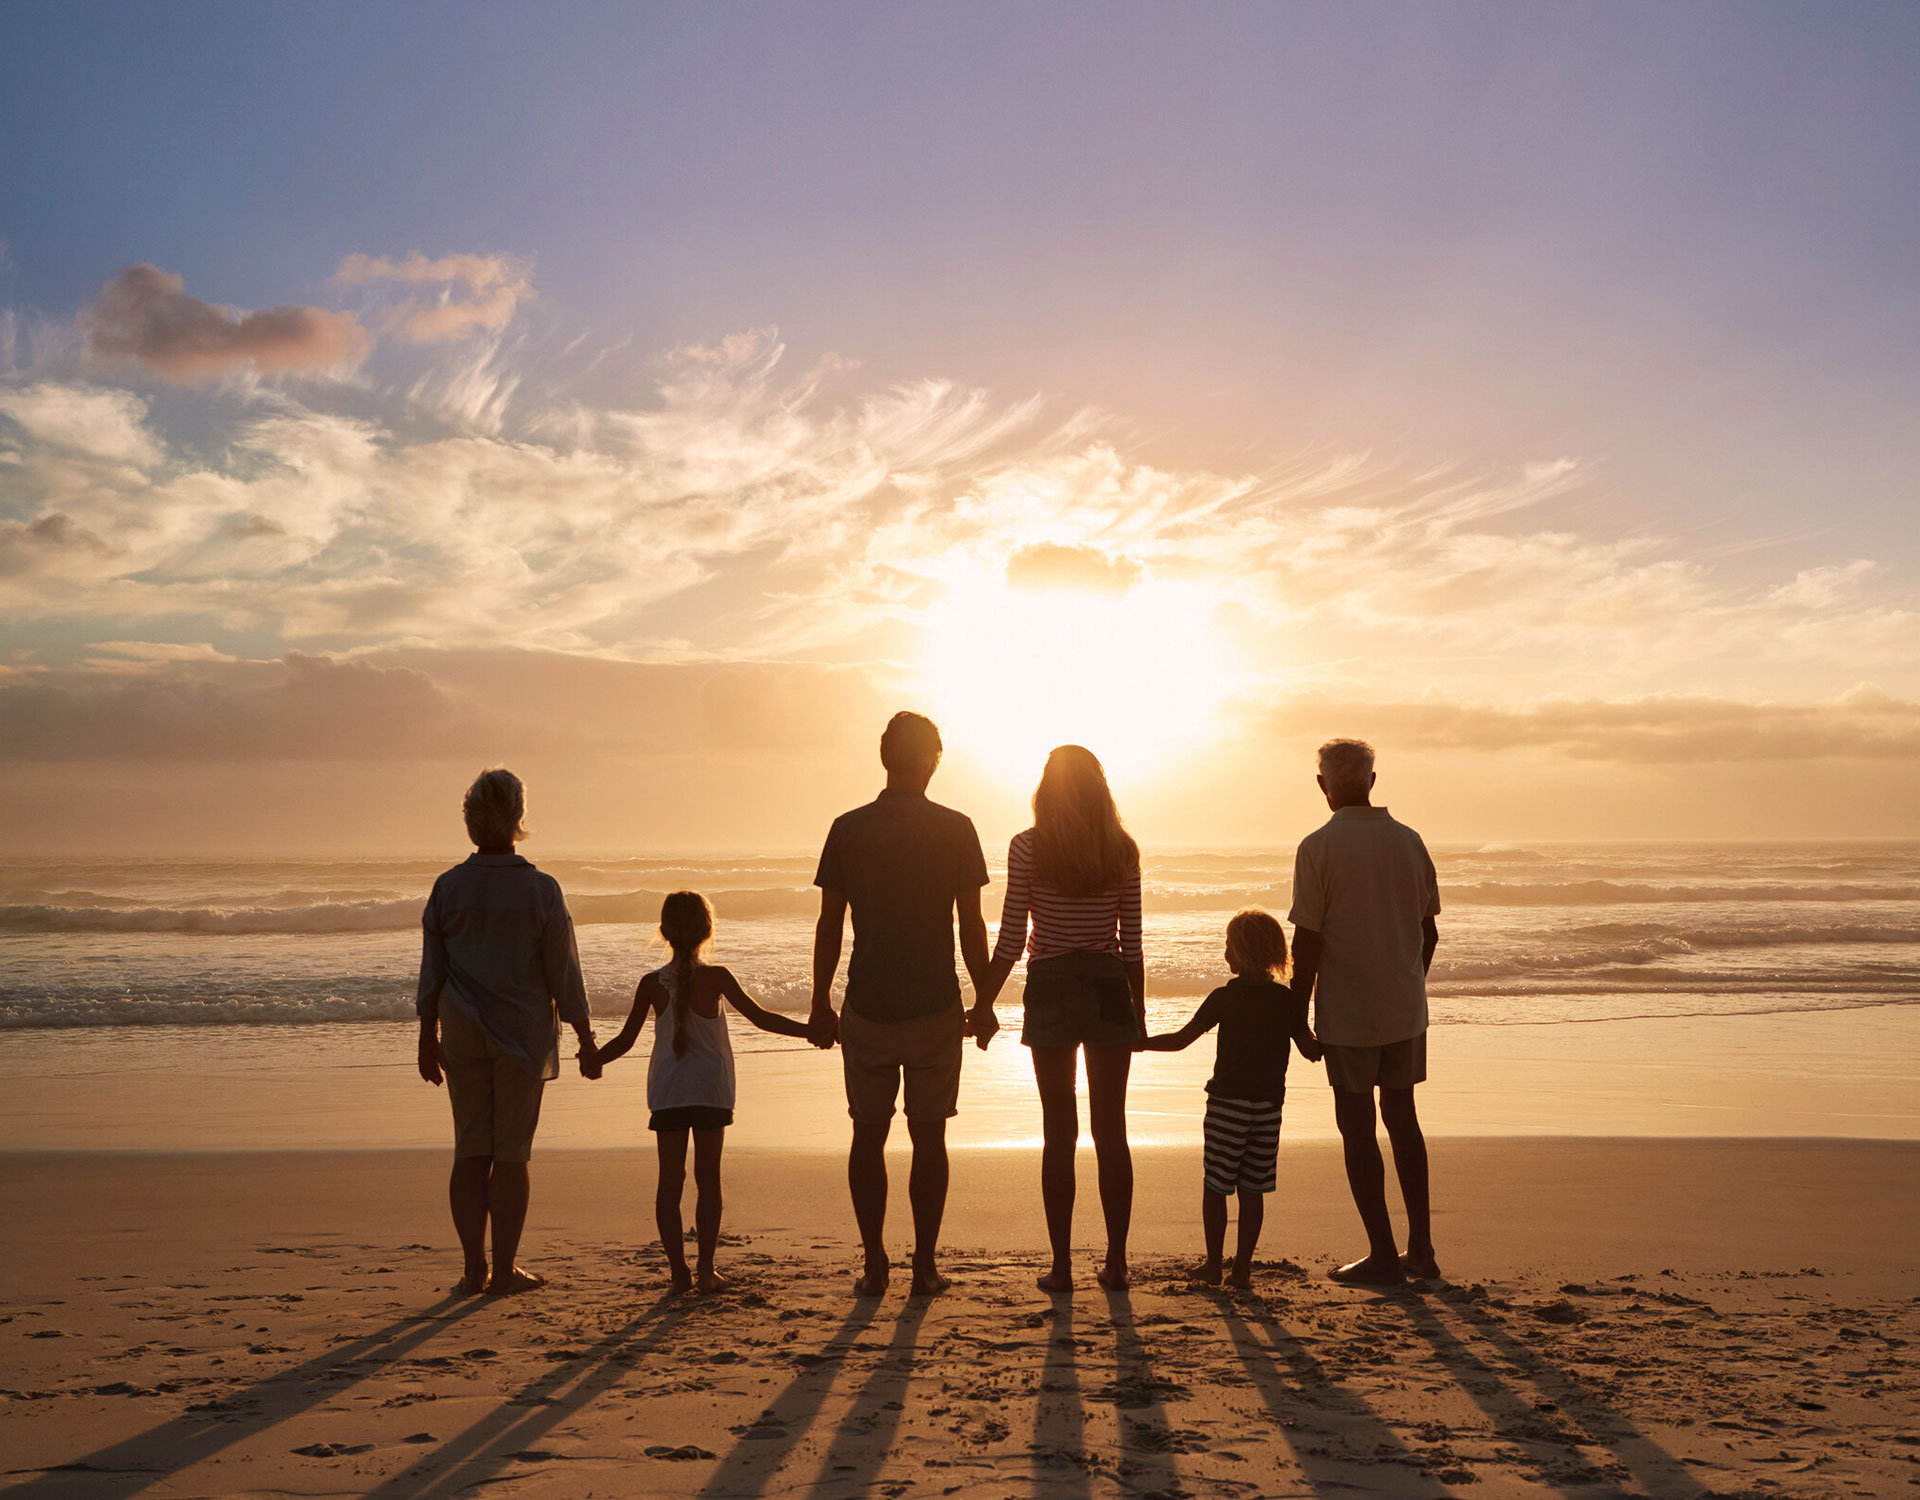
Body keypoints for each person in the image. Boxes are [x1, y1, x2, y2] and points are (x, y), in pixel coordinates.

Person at [808, 712, 993, 1298]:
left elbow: (830, 925)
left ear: (885, 757)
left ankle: (873, 1263)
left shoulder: (848, 828)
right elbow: (971, 927)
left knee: (867, 1135)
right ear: (933, 759)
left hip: (867, 1002)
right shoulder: (957, 828)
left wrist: (820, 1000)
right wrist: (983, 999)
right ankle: (925, 1266)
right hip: (935, 1003)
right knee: (929, 1137)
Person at [415, 767, 600, 1296]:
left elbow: (433, 970)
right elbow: (564, 972)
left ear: (472, 822)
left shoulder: (449, 887)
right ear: (519, 819)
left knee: (471, 1148)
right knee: (512, 1153)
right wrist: (586, 1039)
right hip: (522, 1033)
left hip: (462, 1029)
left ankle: (472, 1267)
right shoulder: (541, 890)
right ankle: (503, 1269)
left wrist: (427, 1037)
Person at [975, 744, 1145, 1293]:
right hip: (1106, 984)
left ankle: (1064, 1267)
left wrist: (983, 1003)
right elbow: (1133, 944)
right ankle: (1116, 1263)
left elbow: (1008, 937)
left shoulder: (1028, 847)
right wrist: (1136, 1013)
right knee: (1111, 1130)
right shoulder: (1122, 849)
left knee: (1058, 1131)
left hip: (1049, 986)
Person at [592, 891, 811, 1295]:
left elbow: (624, 1041)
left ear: (664, 932)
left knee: (669, 1182)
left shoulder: (650, 984)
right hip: (711, 1089)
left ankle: (679, 1273)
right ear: (707, 931)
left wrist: (594, 1059)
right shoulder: (718, 977)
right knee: (708, 1180)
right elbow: (761, 1019)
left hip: (669, 1091)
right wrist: (810, 1031)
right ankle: (707, 1269)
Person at [1288, 739, 1441, 1287]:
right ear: (1372, 782)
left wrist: (1295, 1017)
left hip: (1348, 1011)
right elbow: (1429, 931)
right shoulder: (1409, 842)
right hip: (1403, 1007)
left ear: (1324, 786)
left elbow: (1306, 942)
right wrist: (1406, 983)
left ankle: (1382, 1253)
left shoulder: (1318, 848)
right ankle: (1420, 1248)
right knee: (1403, 1119)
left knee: (1357, 1127)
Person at [1143, 908, 1309, 1289]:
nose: (1224, 954)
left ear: (1242, 951)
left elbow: (1182, 1040)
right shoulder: (1284, 1001)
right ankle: (1243, 1269)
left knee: (1216, 1186)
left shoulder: (1224, 998)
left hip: (1227, 1106)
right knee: (1253, 1189)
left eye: (1228, 946)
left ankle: (1215, 1264)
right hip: (1268, 1109)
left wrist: (1139, 1044)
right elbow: (1308, 1048)